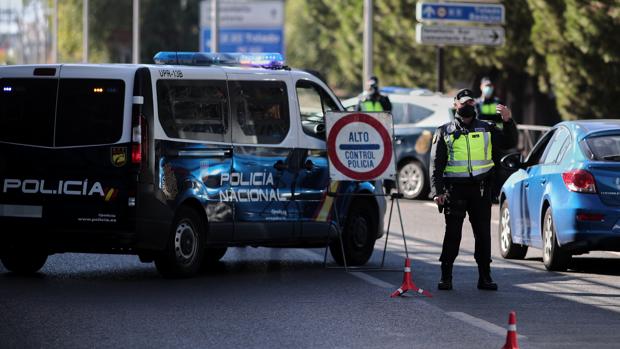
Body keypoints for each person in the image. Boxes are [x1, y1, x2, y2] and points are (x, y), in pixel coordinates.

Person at [429, 88, 518, 291]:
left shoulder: (487, 128)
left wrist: (508, 121)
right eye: (464, 103)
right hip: (455, 190)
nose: (468, 106)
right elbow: (436, 165)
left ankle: (485, 277)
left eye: (471, 103)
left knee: (483, 235)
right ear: (455, 105)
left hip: (480, 189)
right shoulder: (444, 131)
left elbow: (509, 142)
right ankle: (446, 276)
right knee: (453, 234)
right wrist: (437, 192)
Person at [476, 76, 516, 201]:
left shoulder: (498, 103)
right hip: (480, 141)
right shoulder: (477, 103)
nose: (488, 89)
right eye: (486, 86)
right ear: (481, 87)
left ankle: (495, 193)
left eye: (490, 86)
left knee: (498, 168)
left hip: (496, 140)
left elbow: (505, 119)